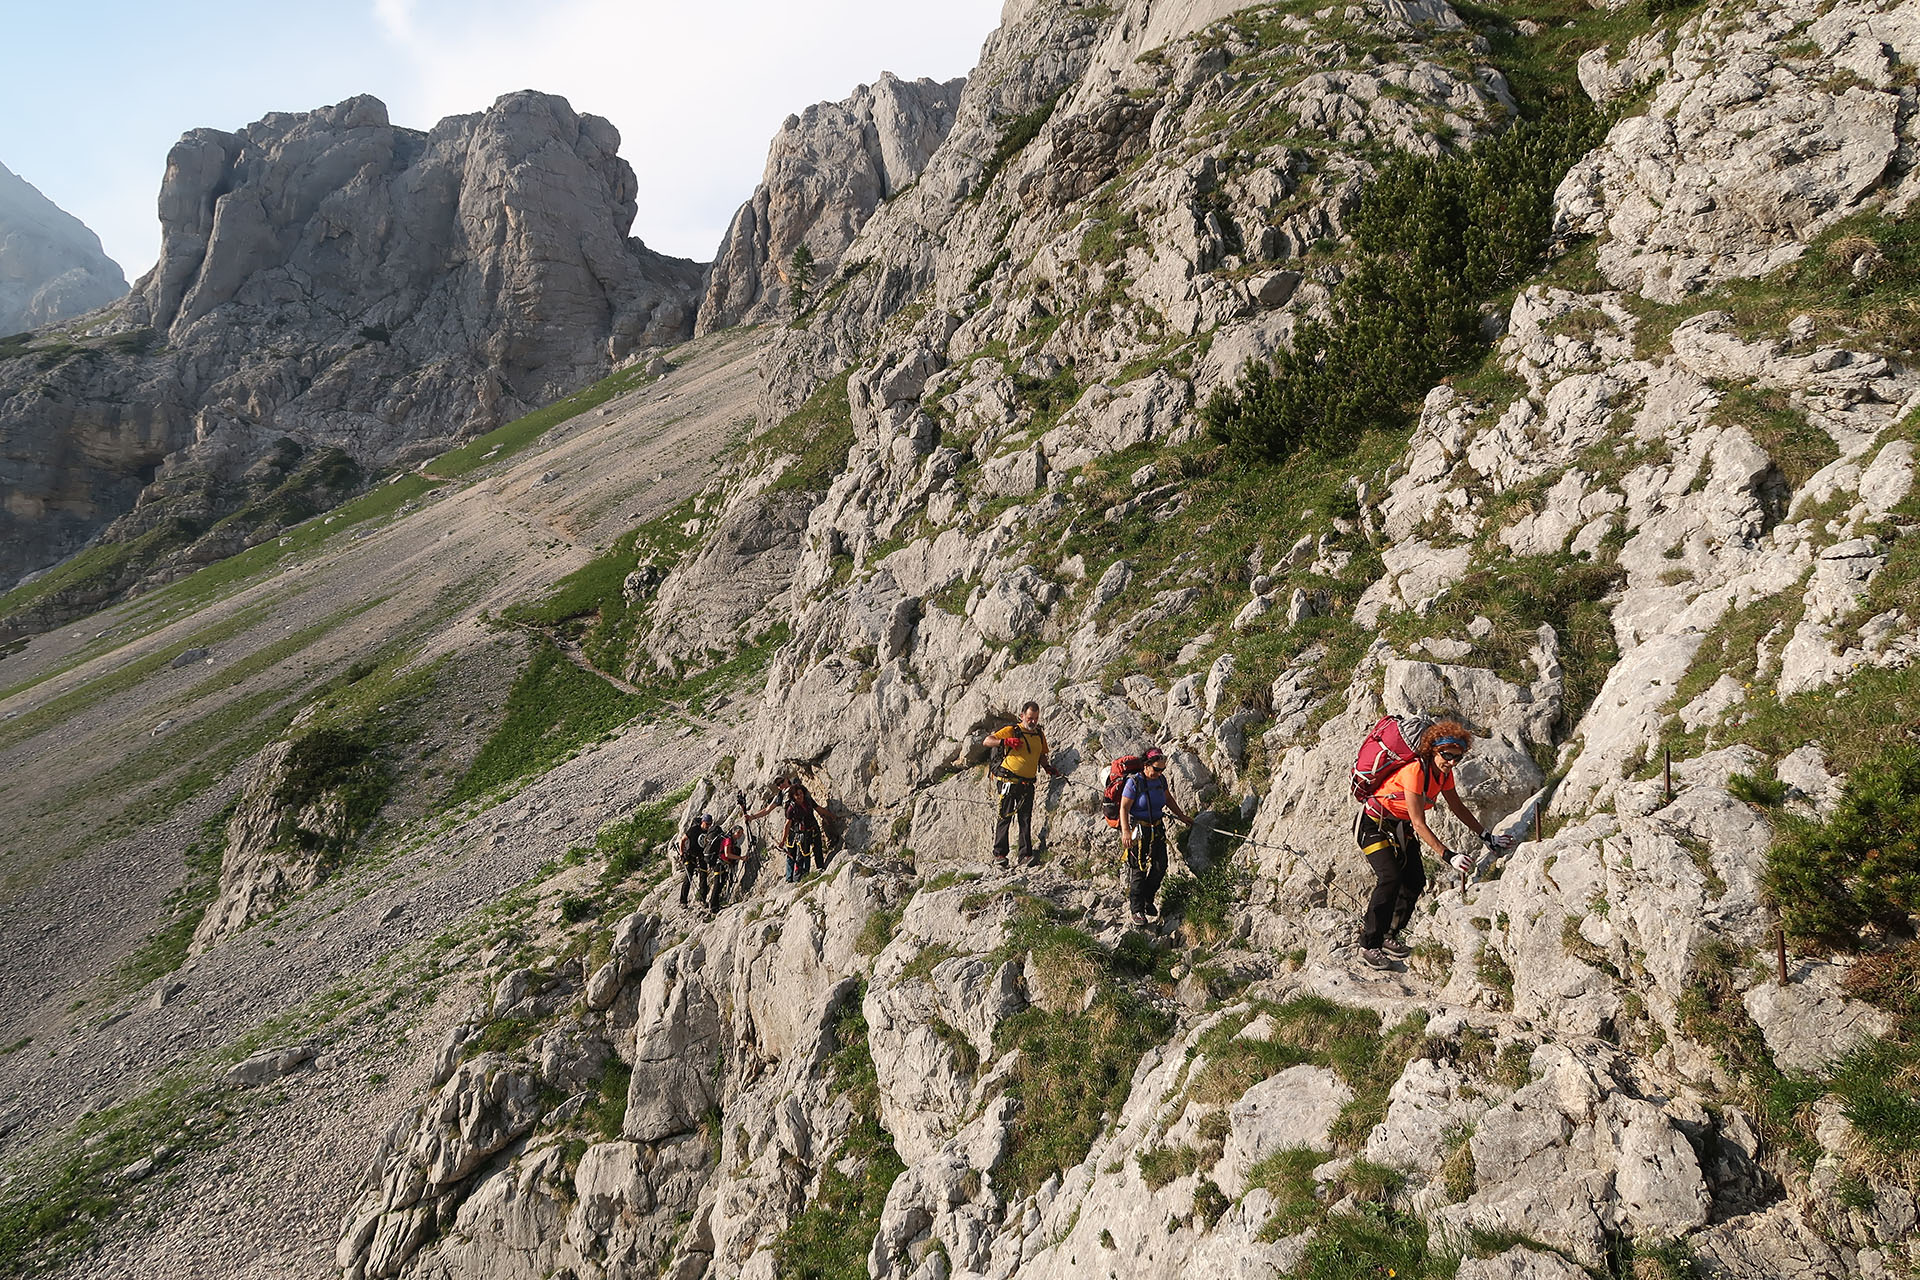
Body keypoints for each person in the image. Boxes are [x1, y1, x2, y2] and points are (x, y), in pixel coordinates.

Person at [1353, 719, 1513, 971]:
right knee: (1390, 878)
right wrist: (1448, 855)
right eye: (1447, 755)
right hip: (1374, 824)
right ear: (1432, 750)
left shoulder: (1442, 774)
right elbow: (1419, 822)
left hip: (1399, 827)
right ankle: (1369, 944)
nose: (1451, 762)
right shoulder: (1416, 771)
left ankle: (1388, 936)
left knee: (1415, 880)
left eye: (1457, 758)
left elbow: (1457, 806)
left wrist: (1486, 835)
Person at [981, 701, 1062, 867]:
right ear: (1022, 716)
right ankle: (999, 855)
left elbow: (1041, 754)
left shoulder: (1039, 733)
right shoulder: (1013, 730)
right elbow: (987, 741)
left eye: (1036, 718)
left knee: (1025, 818)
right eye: (1030, 718)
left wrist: (1047, 767)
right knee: (1005, 816)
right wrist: (1005, 742)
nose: (1033, 721)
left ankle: (1025, 855)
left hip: (1027, 783)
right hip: (1008, 779)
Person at [1118, 747, 1192, 926]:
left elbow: (1168, 799)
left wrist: (1182, 816)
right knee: (1139, 870)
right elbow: (1124, 808)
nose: (1159, 773)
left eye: (1162, 770)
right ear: (1146, 765)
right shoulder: (1134, 783)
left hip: (1157, 828)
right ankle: (1137, 910)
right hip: (1139, 830)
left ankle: (1147, 899)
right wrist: (1126, 831)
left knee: (1161, 866)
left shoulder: (1160, 780)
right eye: (1156, 769)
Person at [749, 777, 830, 882]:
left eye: (782, 782)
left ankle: (803, 876)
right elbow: (767, 810)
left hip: (803, 827)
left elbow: (813, 805)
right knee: (792, 853)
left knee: (803, 853)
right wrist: (752, 817)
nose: (780, 785)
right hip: (792, 829)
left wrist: (825, 816)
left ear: (787, 780)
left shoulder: (800, 791)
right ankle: (790, 879)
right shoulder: (781, 795)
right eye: (778, 785)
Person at [679, 813, 718, 910]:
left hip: (701, 857)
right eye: (707, 823)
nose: (708, 826)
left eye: (710, 824)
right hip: (690, 856)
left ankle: (702, 899)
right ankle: (683, 901)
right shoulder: (694, 830)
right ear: (702, 822)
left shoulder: (709, 833)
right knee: (688, 878)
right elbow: (682, 840)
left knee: (703, 878)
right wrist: (681, 853)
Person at [708, 824, 747, 910]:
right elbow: (727, 854)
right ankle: (713, 906)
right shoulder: (728, 840)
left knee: (720, 884)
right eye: (738, 832)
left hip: (722, 864)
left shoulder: (730, 839)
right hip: (720, 865)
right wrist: (740, 858)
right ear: (734, 832)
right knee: (717, 885)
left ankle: (715, 904)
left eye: (741, 833)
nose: (740, 835)